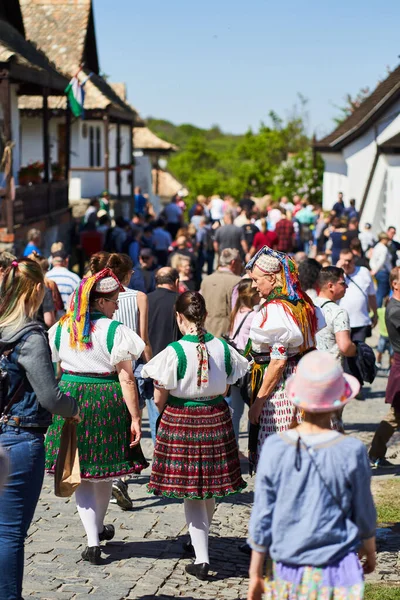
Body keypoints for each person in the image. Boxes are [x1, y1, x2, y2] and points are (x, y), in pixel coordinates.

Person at [247, 351, 376, 600]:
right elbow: (364, 510)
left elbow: (263, 513)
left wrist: (255, 572)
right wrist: (369, 550)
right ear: (340, 401)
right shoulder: (352, 450)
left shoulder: (275, 447)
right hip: (340, 566)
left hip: (289, 566)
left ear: (297, 399)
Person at [142, 291, 248, 581]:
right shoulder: (223, 348)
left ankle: (201, 559)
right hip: (215, 417)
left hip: (182, 419)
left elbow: (159, 395)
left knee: (193, 491)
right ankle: (197, 540)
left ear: (179, 317)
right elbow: (227, 387)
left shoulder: (174, 352)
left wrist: (162, 411)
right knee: (208, 487)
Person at [44, 269, 148, 564]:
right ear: (101, 302)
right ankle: (94, 535)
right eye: (114, 300)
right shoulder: (115, 331)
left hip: (70, 397)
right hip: (105, 398)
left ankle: (94, 537)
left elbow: (56, 368)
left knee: (81, 472)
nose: (117, 305)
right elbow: (127, 379)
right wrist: (135, 417)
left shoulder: (63, 327)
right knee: (101, 475)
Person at [0, 259, 78, 599]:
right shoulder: (30, 336)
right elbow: (49, 397)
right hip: (19, 438)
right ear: (33, 290)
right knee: (9, 534)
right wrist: (73, 408)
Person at [245, 246, 324, 472]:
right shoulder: (301, 302)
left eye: (256, 280)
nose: (253, 285)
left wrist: (259, 402)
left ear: (271, 278)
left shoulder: (277, 310)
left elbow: (278, 361)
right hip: (305, 377)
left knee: (281, 448)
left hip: (285, 386)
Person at [89, 253, 153, 510]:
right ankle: (120, 476)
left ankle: (112, 475)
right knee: (130, 419)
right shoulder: (139, 297)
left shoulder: (95, 296)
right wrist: (150, 366)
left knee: (114, 421)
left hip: (101, 365)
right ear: (127, 274)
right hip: (130, 363)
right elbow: (143, 337)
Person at [369, 267, 400, 467]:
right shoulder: (395, 309)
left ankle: (375, 453)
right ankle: (374, 454)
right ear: (395, 283)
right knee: (395, 415)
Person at [147, 267, 181, 442]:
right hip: (176, 361)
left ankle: (158, 450)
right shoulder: (179, 301)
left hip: (151, 363)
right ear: (176, 282)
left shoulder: (146, 300)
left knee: (155, 413)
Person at [227, 279, 259, 440]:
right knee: (253, 408)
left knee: (236, 411)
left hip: (235, 365)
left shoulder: (236, 312)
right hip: (249, 366)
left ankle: (234, 447)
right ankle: (252, 447)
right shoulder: (254, 315)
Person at [314, 267, 357, 363]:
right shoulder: (338, 312)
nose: (346, 286)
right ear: (330, 286)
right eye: (342, 283)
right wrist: (357, 349)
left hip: (309, 368)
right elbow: (345, 346)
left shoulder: (308, 305)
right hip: (331, 371)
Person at [200, 248, 242, 338]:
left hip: (205, 332)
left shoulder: (206, 280)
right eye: (240, 262)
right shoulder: (237, 281)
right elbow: (238, 311)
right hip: (226, 334)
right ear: (233, 262)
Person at [338, 249, 378, 342]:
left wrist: (375, 313)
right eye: (344, 260)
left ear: (354, 260)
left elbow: (371, 295)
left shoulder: (364, 271)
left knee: (359, 353)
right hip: (341, 324)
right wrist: (338, 270)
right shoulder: (335, 274)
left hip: (361, 321)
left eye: (349, 260)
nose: (347, 263)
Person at [370, 232, 392, 308]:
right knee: (382, 292)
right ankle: (378, 308)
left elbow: (372, 260)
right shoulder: (384, 248)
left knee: (380, 291)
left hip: (378, 272)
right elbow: (381, 261)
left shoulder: (377, 247)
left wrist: (373, 269)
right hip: (383, 272)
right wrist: (375, 270)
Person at [376, 297, 392, 370]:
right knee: (391, 354)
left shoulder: (380, 310)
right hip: (390, 336)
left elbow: (373, 313)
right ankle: (390, 367)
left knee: (380, 351)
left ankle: (378, 363)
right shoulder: (382, 311)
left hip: (385, 336)